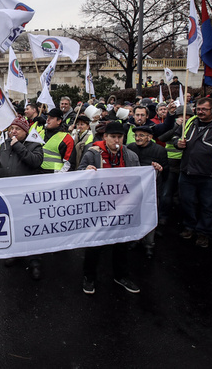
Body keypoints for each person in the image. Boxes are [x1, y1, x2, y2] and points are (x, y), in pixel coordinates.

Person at [78, 121, 141, 294]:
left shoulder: (130, 156)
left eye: (119, 137)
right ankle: (89, 277)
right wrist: (86, 171)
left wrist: (154, 170)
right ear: (105, 137)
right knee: (95, 244)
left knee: (121, 243)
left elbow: (138, 178)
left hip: (121, 206)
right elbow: (80, 172)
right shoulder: (92, 153)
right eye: (112, 136)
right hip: (98, 207)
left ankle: (121, 276)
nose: (116, 140)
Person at [175, 97, 212, 248]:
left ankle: (204, 232)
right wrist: (178, 143)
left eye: (204, 109)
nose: (200, 112)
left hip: (209, 175)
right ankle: (190, 226)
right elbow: (176, 136)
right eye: (198, 109)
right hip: (187, 172)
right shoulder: (190, 122)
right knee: (186, 201)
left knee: (208, 205)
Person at [0, 117, 45, 279]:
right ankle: (15, 252)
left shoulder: (35, 145)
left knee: (29, 226)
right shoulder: (4, 145)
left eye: (17, 129)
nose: (12, 131)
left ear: (25, 132)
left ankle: (34, 259)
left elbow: (35, 162)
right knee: (13, 225)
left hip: (27, 196)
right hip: (8, 195)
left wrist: (19, 146)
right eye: (11, 128)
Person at [126, 125, 168, 258]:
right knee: (135, 215)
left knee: (149, 216)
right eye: (136, 135)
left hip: (152, 190)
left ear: (150, 137)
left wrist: (159, 169)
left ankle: (149, 244)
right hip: (134, 190)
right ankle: (135, 239)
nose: (138, 138)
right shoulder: (131, 148)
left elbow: (166, 172)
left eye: (142, 136)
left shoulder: (159, 150)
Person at [41, 108, 75, 172]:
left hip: (55, 176)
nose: (47, 120)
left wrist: (59, 178)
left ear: (59, 121)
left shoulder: (67, 138)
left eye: (51, 118)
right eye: (47, 117)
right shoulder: (41, 133)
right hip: (38, 174)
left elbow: (69, 164)